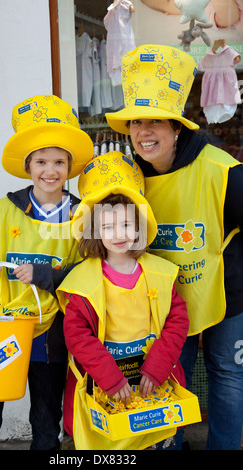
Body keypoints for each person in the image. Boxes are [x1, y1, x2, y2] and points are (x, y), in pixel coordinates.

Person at [105, 44, 243, 450]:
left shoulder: (224, 171)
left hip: (225, 296)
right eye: (135, 124)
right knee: (163, 383)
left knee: (227, 378)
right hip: (160, 305)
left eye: (156, 123)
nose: (143, 132)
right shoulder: (128, 180)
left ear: (177, 127)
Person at [0, 95, 94, 450]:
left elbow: (87, 275)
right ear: (28, 166)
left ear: (71, 167)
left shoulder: (84, 216)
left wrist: (45, 274)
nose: (51, 170)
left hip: (51, 328)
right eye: (41, 161)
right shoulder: (1, 211)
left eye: (60, 162)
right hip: (2, 324)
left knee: (46, 416)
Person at [56, 151, 189, 450]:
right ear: (95, 231)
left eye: (127, 225)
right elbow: (78, 336)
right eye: (108, 227)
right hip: (105, 387)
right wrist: (110, 378)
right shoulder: (83, 282)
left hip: (150, 383)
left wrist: (157, 367)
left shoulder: (160, 273)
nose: (119, 234)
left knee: (151, 440)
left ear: (139, 227)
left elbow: (177, 321)